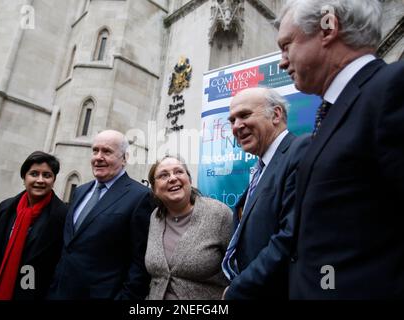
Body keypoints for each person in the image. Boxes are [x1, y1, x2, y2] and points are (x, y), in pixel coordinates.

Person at [277, 0, 404, 299]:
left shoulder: (392, 88)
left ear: (328, 27)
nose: (282, 61)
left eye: (286, 45)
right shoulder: (334, 112)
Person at [222, 87, 310, 299]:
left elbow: (290, 236)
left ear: (276, 115)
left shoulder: (300, 150)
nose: (236, 126)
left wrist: (240, 288)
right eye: (232, 120)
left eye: (244, 115)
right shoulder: (261, 168)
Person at [48, 130, 154, 299]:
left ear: (125, 158)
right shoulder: (80, 191)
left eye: (107, 151)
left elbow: (140, 262)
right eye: (95, 150)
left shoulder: (140, 197)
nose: (98, 157)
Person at [0, 151, 67, 300]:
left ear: (54, 180)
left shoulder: (62, 216)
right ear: (24, 178)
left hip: (31, 291)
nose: (40, 180)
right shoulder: (6, 208)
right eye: (34, 174)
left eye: (47, 175)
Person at [145, 155, 232, 300]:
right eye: (163, 175)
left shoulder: (219, 214)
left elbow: (240, 265)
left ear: (189, 180)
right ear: (154, 189)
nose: (172, 178)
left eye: (179, 172)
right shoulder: (155, 217)